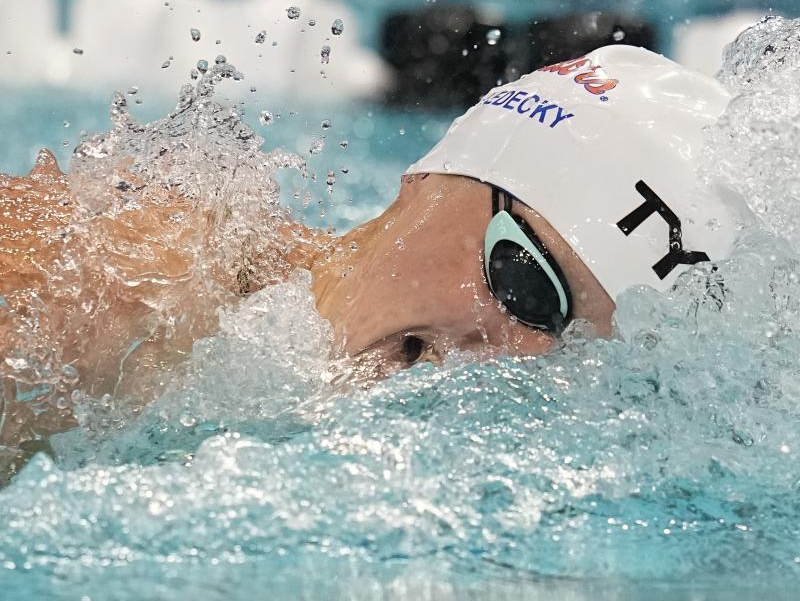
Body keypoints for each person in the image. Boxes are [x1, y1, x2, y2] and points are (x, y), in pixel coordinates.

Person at [0, 45, 739, 471]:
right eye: (523, 284)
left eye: (565, 349)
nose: (502, 356)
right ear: (430, 178)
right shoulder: (116, 281)